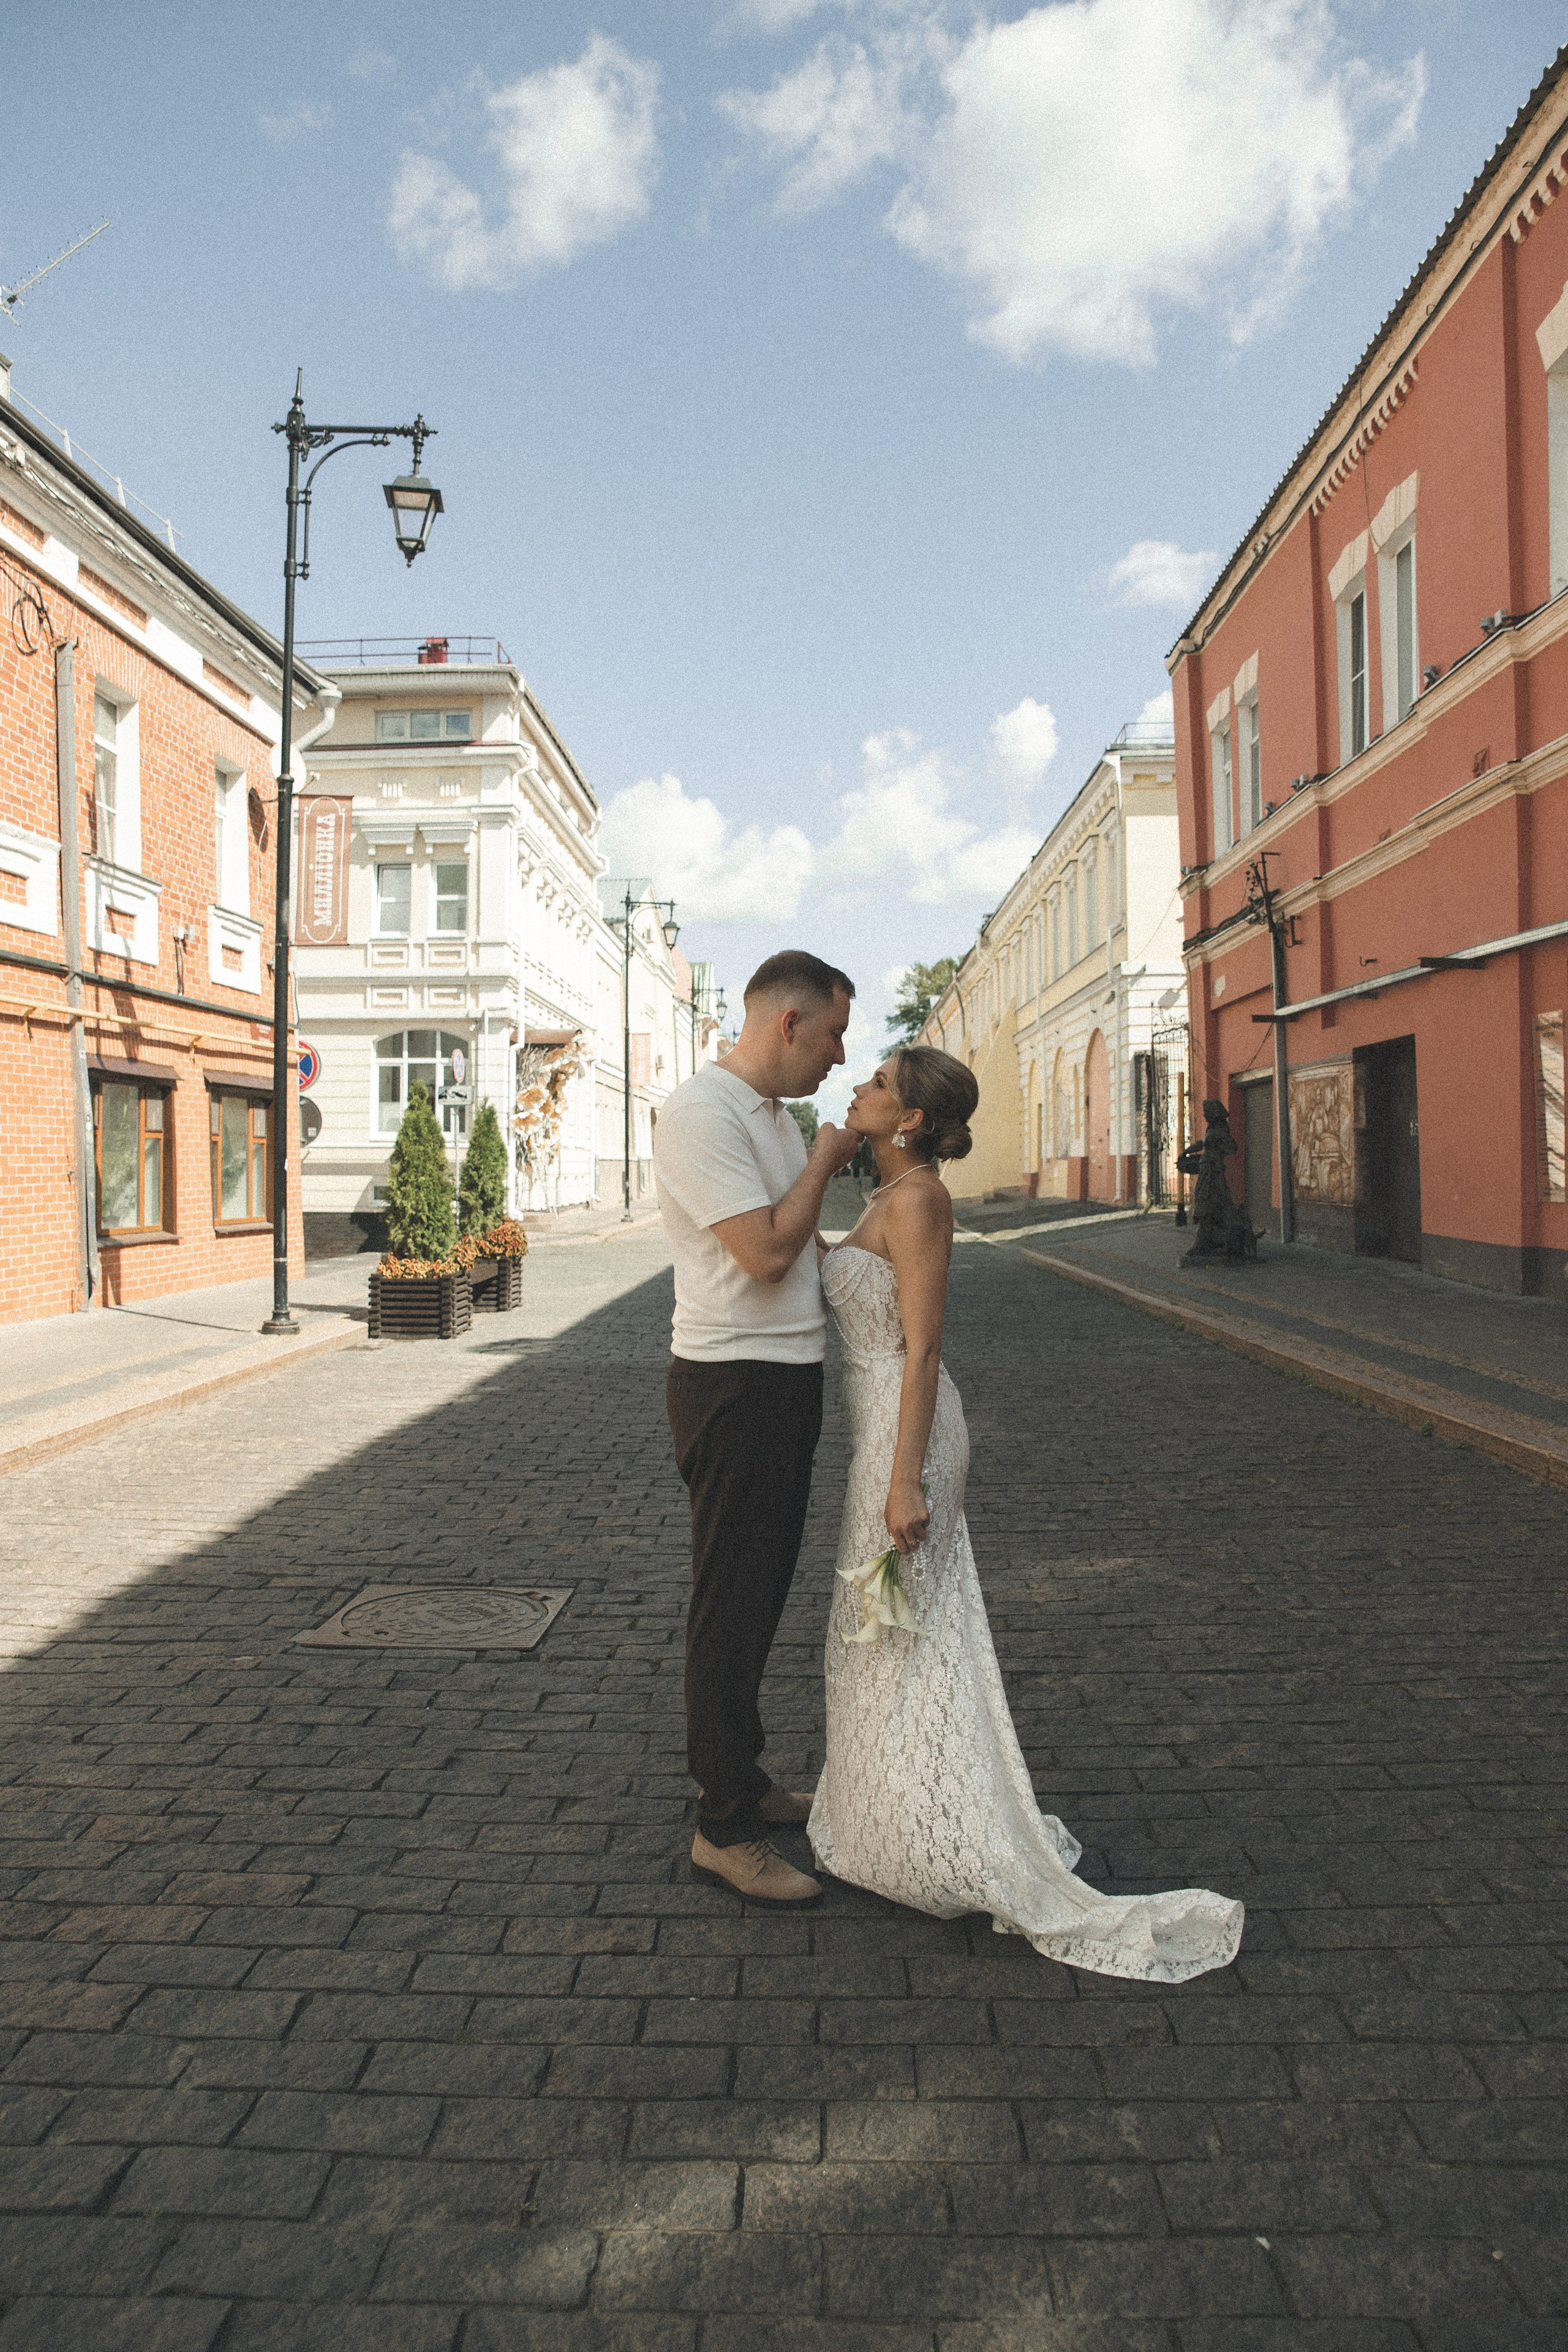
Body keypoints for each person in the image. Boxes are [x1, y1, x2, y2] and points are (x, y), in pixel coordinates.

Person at [809, 1045, 1243, 1982]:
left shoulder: (920, 1200)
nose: (860, 1090)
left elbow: (923, 1352)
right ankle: (885, 1816)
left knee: (896, 1627)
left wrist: (905, 1480)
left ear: (913, 1119)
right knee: (878, 1630)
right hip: (881, 1427)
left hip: (905, 1433)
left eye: (877, 1084)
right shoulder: (885, 1194)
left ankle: (931, 1831)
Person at [654, 949, 859, 1903]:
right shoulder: (702, 1114)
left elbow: (809, 1248)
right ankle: (722, 1828)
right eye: (831, 1035)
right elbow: (769, 1255)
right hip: (731, 1383)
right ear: (788, 1023)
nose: (837, 1056)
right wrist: (828, 1157)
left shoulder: (772, 1121)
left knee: (762, 1595)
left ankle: (745, 1778)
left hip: (782, 1380)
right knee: (730, 1603)